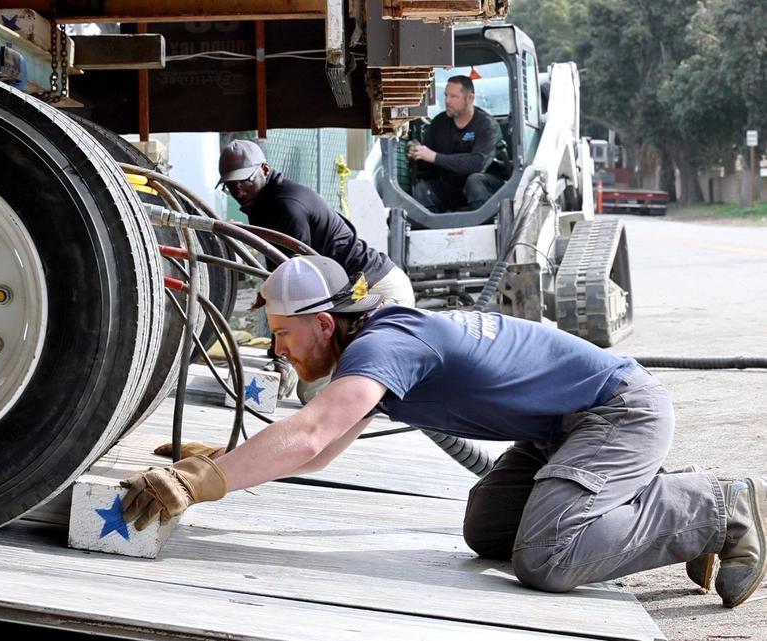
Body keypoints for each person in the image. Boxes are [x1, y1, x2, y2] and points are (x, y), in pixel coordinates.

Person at [122, 255, 766, 608]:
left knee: (547, 560)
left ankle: (713, 507)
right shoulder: (376, 350)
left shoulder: (385, 345)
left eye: (284, 334)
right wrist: (231, 461)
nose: (278, 349)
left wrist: (205, 482)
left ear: (323, 323)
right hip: (562, 434)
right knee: (488, 532)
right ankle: (642, 503)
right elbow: (322, 453)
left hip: (617, 413)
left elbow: (315, 432)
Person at [218, 139, 415, 399]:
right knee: (314, 389)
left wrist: (281, 359)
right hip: (351, 295)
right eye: (231, 186)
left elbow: (294, 285)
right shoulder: (265, 201)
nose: (239, 190)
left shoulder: (285, 206)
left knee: (316, 393)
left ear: (265, 169)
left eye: (244, 181)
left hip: (376, 293)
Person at [408, 75, 504, 212]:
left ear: (470, 98)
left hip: (485, 189)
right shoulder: (438, 124)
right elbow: (426, 167)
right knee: (422, 190)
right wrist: (416, 152)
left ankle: (481, 225)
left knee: (474, 181)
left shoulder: (487, 126)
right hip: (451, 188)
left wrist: (435, 157)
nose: (447, 101)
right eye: (446, 95)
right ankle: (436, 229)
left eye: (453, 97)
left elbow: (478, 164)